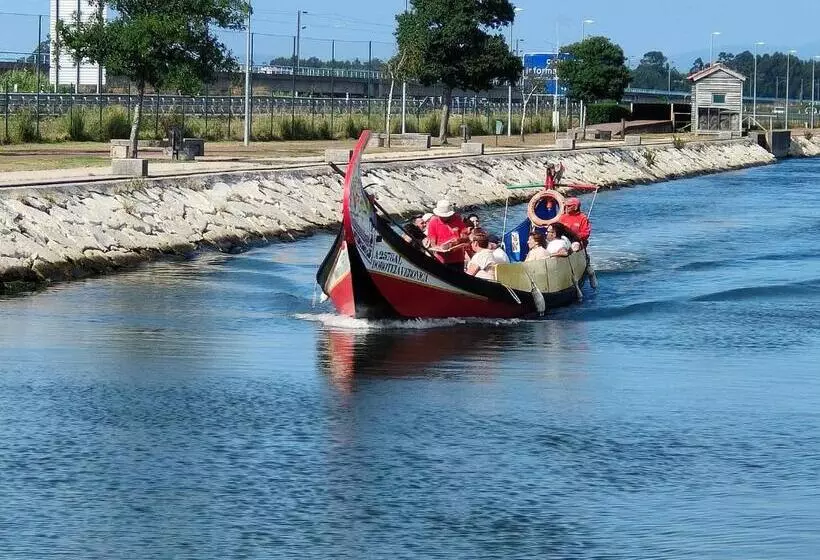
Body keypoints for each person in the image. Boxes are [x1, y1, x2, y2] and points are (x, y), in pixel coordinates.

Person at [426, 199, 469, 272]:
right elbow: (433, 242)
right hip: (442, 259)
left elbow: (465, 236)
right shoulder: (433, 222)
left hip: (458, 258)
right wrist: (439, 248)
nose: (444, 217)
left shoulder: (457, 219)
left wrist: (456, 242)